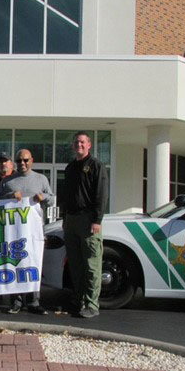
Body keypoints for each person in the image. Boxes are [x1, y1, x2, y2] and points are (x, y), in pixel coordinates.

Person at [0, 148, 54, 315]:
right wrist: (9, 196)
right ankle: (16, 301)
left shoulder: (41, 179)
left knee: (33, 264)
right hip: (13, 232)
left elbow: (51, 198)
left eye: (26, 160)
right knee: (15, 265)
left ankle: (34, 302)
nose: (23, 163)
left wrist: (44, 198)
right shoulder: (8, 181)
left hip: (34, 232)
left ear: (32, 161)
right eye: (20, 160)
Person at [60, 131, 108, 319]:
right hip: (71, 220)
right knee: (75, 264)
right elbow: (67, 194)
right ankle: (78, 299)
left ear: (89, 145)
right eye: (76, 142)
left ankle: (91, 304)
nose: (79, 145)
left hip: (88, 220)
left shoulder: (96, 166)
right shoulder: (70, 167)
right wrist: (64, 218)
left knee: (91, 264)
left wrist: (97, 220)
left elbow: (101, 195)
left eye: (82, 142)